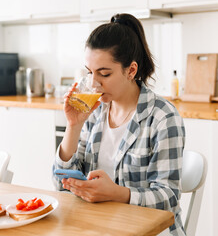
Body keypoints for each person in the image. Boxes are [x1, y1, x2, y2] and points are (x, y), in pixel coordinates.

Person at [52, 13, 186, 235]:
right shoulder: (94, 112)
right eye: (90, 73)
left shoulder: (162, 117)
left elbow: (168, 199)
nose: (94, 83)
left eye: (104, 74)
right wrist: (73, 126)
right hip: (100, 226)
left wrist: (117, 193)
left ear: (131, 70)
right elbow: (60, 185)